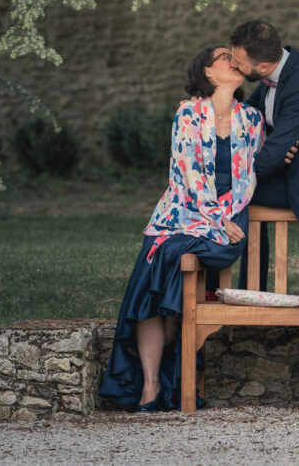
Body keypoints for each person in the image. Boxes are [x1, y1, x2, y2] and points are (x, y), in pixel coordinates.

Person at [99, 46, 264, 411]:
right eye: (224, 56)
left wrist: (225, 218)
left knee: (166, 259)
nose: (232, 60)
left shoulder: (251, 119)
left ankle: (168, 374)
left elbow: (250, 176)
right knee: (163, 258)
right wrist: (213, 218)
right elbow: (188, 175)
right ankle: (152, 384)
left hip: (228, 224)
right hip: (182, 215)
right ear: (207, 71)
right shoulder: (188, 113)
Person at [228, 19, 299, 292]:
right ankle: (250, 287)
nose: (233, 65)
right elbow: (246, 115)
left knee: (226, 193)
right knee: (229, 190)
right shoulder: (275, 72)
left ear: (263, 66)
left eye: (238, 62)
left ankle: (245, 288)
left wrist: (270, 152)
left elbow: (269, 158)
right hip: (280, 171)